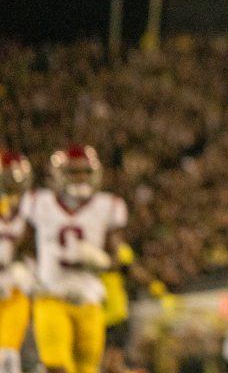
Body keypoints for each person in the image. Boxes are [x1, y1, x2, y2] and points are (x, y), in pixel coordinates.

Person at [27, 145, 128, 373]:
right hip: (50, 295)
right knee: (56, 366)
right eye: (74, 172)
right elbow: (19, 241)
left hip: (89, 299)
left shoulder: (108, 206)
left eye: (85, 172)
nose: (80, 178)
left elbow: (115, 258)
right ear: (57, 174)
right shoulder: (37, 202)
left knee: (87, 368)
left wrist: (100, 260)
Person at [0, 151, 34, 373]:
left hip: (16, 287)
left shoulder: (35, 205)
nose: (14, 181)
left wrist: (26, 267)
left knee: (7, 353)